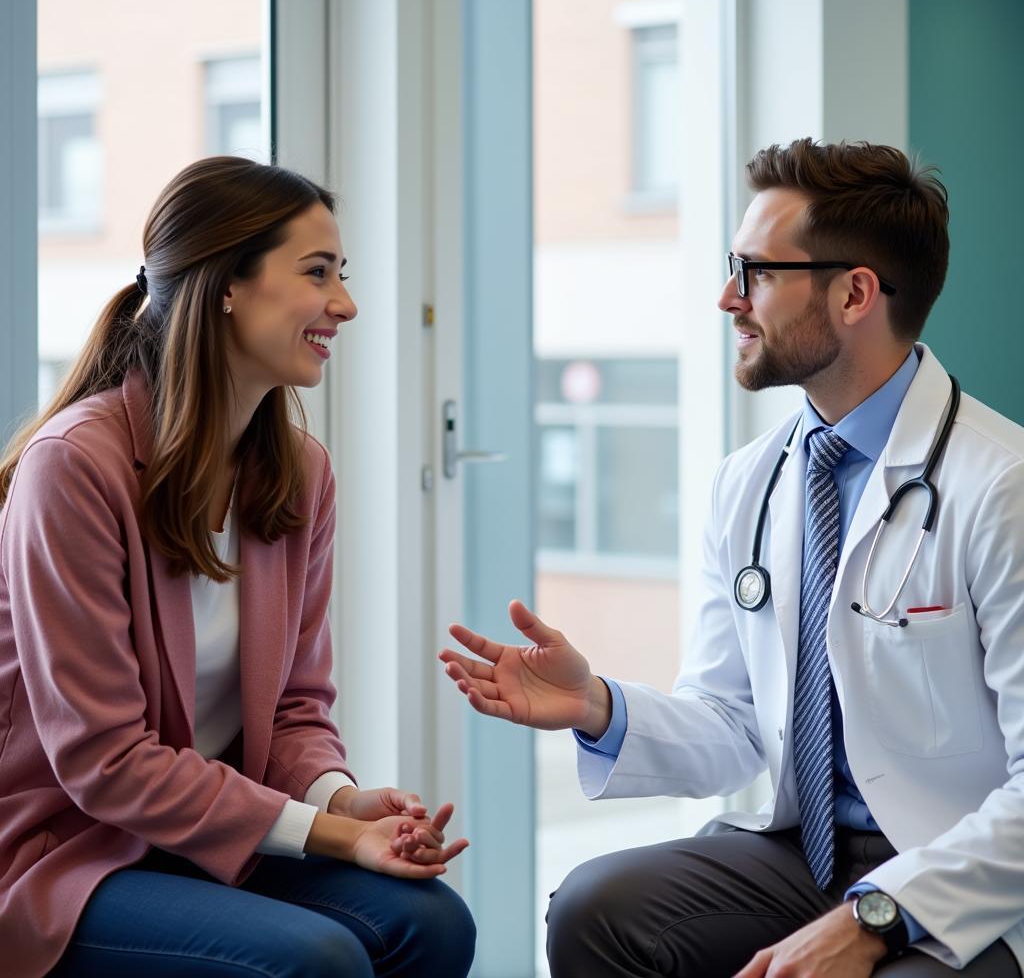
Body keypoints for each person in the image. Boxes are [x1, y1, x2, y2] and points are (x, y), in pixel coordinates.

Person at [440, 139, 1024, 977]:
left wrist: (872, 921)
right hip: (804, 857)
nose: (727, 298)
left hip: (963, 878)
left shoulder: (1002, 487)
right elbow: (734, 724)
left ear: (856, 292)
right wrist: (596, 706)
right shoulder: (750, 484)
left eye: (755, 272)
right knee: (592, 912)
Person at [0, 156, 475, 978]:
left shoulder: (298, 471)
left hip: (208, 833)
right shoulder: (75, 465)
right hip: (65, 849)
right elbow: (103, 763)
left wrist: (339, 798)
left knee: (432, 925)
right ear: (228, 285)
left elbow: (294, 706)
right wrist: (333, 836)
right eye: (317, 273)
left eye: (343, 274)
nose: (346, 304)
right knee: (315, 959)